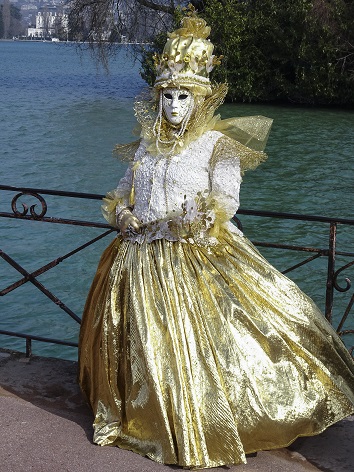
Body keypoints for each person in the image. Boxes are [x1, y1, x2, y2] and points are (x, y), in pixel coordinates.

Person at [78, 11, 354, 470]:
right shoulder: (146, 145)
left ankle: (215, 419)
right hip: (137, 257)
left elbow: (227, 199)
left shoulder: (217, 145)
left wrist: (198, 220)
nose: (173, 106)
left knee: (217, 340)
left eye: (183, 96)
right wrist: (123, 214)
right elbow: (124, 188)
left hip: (196, 256)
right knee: (141, 344)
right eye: (167, 96)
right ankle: (147, 416)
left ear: (199, 98)